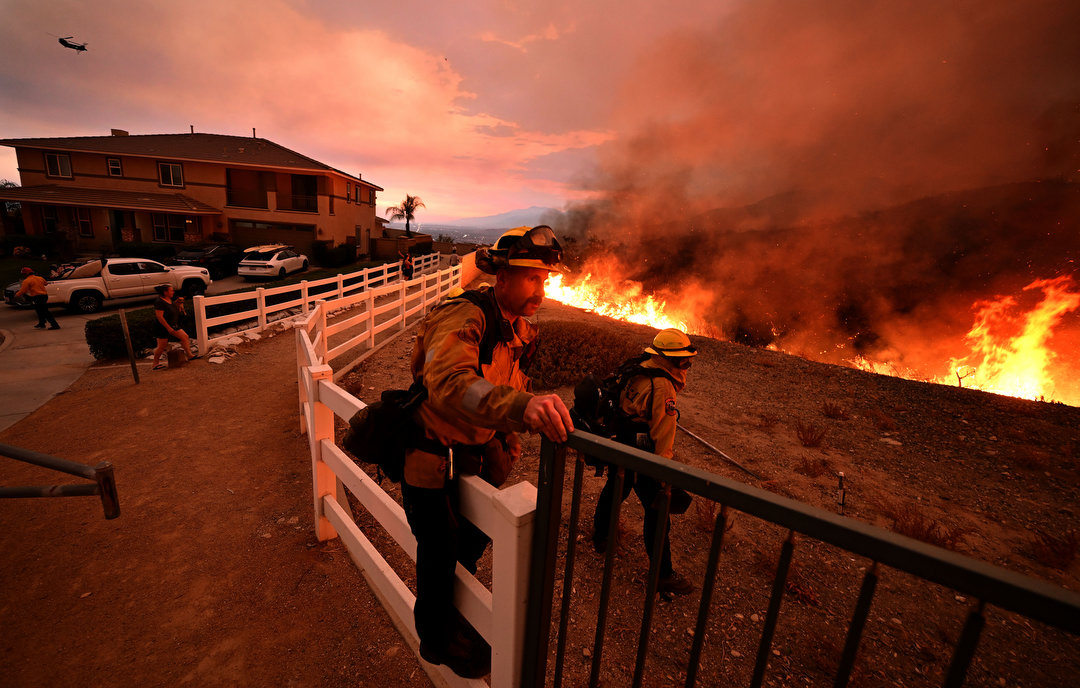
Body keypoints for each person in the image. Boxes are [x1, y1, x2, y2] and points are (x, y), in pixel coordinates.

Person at [402, 225, 573, 678]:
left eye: (545, 279)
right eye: (532, 278)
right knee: (439, 551)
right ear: (501, 279)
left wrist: (505, 433)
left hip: (470, 458)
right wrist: (520, 409)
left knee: (468, 547)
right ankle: (438, 642)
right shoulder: (467, 316)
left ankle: (460, 618)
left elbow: (505, 382)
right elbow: (448, 383)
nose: (542, 288)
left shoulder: (516, 330)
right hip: (431, 460)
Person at [591, 328, 698, 597]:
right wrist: (664, 477)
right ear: (668, 359)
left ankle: (601, 537)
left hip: (621, 440)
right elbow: (663, 434)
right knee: (658, 510)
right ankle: (663, 575)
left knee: (616, 489)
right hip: (641, 450)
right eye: (682, 361)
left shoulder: (642, 366)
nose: (686, 366)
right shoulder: (663, 386)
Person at [151, 284, 198, 370]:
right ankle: (155, 363)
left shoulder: (169, 299)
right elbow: (159, 316)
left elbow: (171, 308)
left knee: (184, 337)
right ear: (165, 292)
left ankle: (189, 355)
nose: (173, 292)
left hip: (173, 324)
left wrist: (178, 303)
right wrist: (168, 328)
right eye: (171, 290)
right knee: (161, 346)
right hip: (162, 326)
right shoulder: (159, 301)